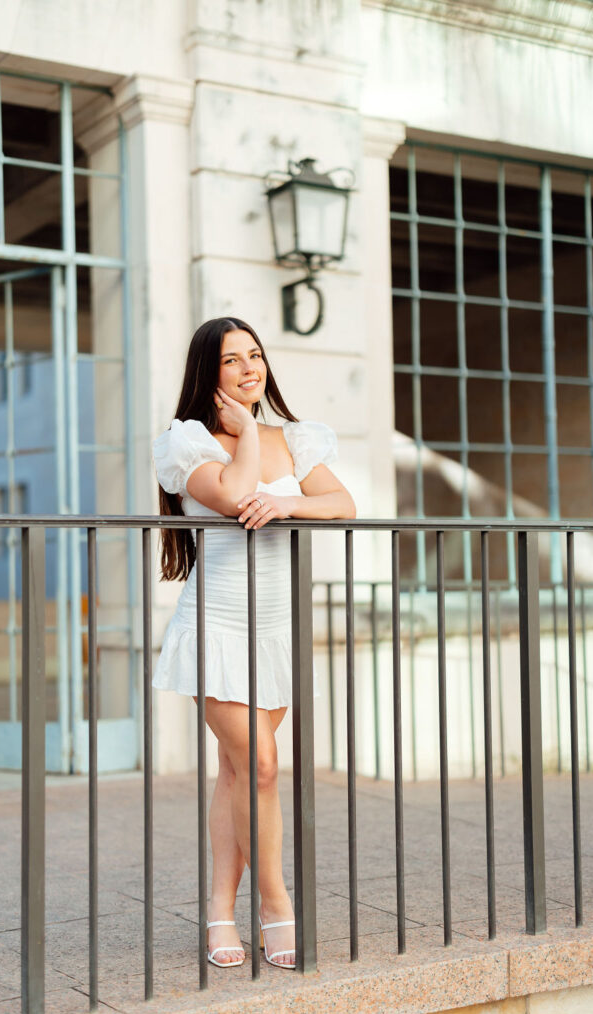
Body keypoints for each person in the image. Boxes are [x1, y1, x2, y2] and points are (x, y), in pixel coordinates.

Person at [152, 316, 356, 970]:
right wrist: (241, 435)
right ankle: (275, 902)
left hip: (276, 631)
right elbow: (235, 494)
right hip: (214, 629)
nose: (248, 369)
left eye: (255, 356)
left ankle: (218, 912)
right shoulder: (188, 443)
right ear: (208, 376)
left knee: (239, 773)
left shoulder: (292, 439)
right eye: (231, 361)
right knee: (263, 768)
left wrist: (291, 504)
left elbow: (343, 503)